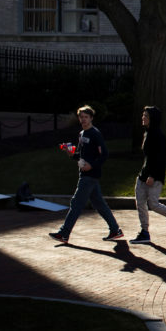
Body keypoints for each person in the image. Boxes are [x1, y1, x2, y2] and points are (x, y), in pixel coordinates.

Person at [48, 105, 123, 244]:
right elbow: (79, 155)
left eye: (86, 117)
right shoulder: (82, 134)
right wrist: (70, 152)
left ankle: (64, 233)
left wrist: (92, 165)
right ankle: (115, 230)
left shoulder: (95, 133)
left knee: (76, 203)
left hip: (90, 175)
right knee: (99, 204)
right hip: (85, 174)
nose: (83, 120)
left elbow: (104, 154)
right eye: (81, 117)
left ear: (91, 118)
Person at [130, 106, 166, 244]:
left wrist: (153, 176)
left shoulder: (158, 136)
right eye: (143, 115)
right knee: (140, 203)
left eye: (146, 116)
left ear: (153, 119)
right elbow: (148, 158)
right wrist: (145, 174)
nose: (143, 118)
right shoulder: (148, 133)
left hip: (154, 176)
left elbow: (160, 158)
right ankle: (144, 232)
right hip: (143, 174)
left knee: (153, 204)